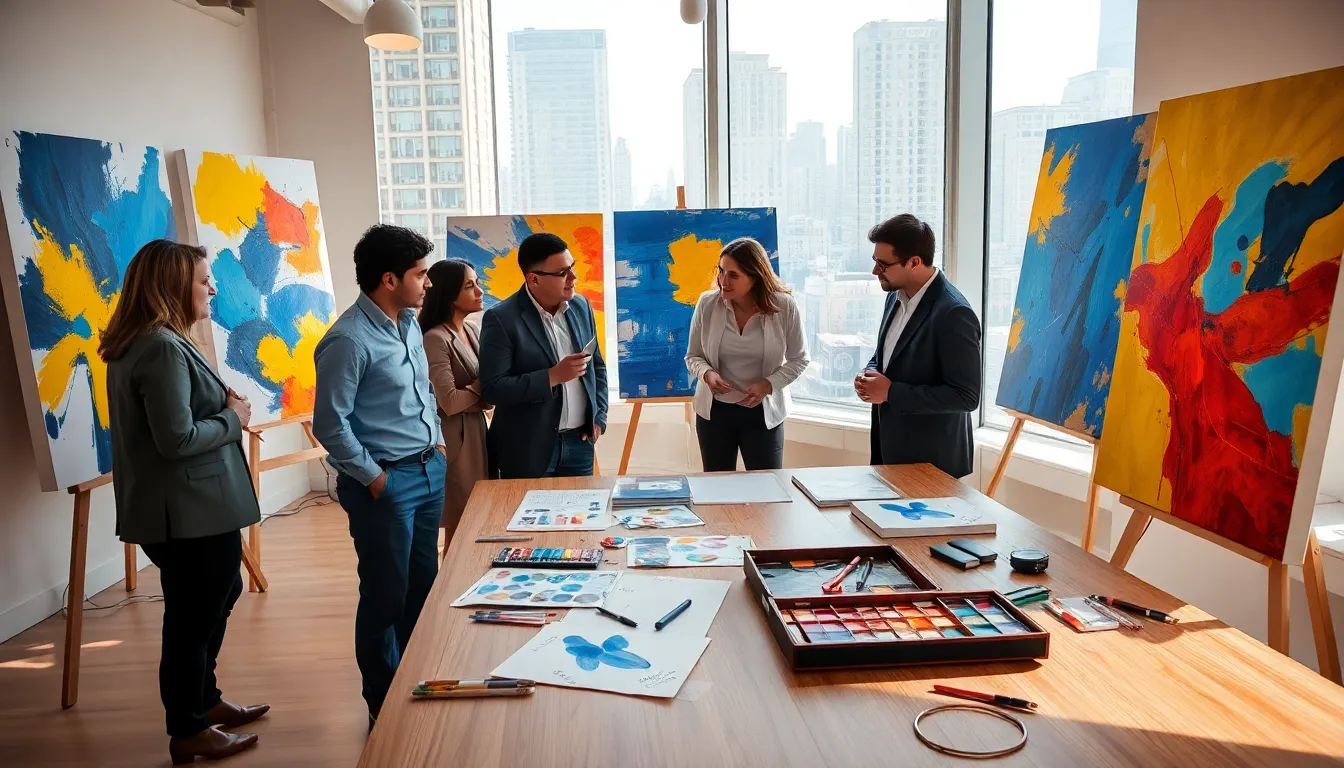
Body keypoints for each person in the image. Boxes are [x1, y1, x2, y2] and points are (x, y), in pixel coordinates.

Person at [100, 240, 268, 765]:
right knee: (192, 620)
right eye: (203, 280)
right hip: (186, 510)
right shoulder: (160, 347)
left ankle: (205, 702)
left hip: (187, 507)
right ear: (173, 284)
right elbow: (175, 439)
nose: (213, 288)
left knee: (220, 592)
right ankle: (188, 728)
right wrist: (232, 419)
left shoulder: (152, 341)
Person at [312, 225, 445, 726]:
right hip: (386, 483)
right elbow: (330, 423)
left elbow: (421, 392)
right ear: (389, 279)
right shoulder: (347, 339)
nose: (428, 283)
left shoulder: (408, 323)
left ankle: (419, 679)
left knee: (422, 586)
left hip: (429, 469)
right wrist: (373, 479)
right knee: (386, 595)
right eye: (420, 274)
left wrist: (437, 443)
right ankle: (383, 704)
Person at [854, 214, 981, 478]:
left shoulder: (953, 313)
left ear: (914, 262)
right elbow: (887, 356)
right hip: (890, 453)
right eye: (875, 261)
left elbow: (966, 397)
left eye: (883, 264)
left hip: (932, 463)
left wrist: (890, 393)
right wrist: (871, 375)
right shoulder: (895, 296)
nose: (875, 271)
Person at [478, 232, 607, 478]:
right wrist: (552, 376)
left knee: (582, 516)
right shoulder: (501, 319)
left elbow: (597, 367)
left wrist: (599, 417)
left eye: (572, 268)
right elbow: (493, 388)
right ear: (533, 279)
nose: (573, 278)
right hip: (528, 449)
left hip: (580, 443)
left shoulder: (581, 307)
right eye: (562, 273)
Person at [685, 237, 809, 471]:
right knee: (718, 490)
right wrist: (707, 374)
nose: (723, 281)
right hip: (715, 413)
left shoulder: (784, 306)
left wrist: (768, 384)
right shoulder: (707, 303)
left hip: (763, 412)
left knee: (767, 490)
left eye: (734, 275)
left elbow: (800, 359)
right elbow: (693, 356)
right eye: (721, 271)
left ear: (756, 276)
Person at [420, 258, 491, 552]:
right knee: (460, 523)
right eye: (469, 285)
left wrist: (474, 390)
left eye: (477, 283)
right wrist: (479, 386)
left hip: (477, 431)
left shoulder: (471, 331)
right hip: (455, 438)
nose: (479, 291)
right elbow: (449, 401)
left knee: (476, 519)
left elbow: (489, 393)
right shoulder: (435, 338)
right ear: (449, 294)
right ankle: (449, 588)